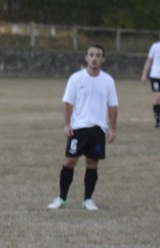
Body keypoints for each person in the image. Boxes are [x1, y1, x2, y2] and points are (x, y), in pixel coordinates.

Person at [47, 45, 118, 211]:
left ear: (103, 59)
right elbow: (68, 102)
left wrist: (112, 128)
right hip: (78, 128)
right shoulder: (76, 78)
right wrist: (67, 124)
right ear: (86, 58)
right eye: (91, 55)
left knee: (92, 164)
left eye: (98, 55)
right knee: (69, 161)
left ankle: (88, 199)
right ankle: (61, 198)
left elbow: (113, 106)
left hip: (98, 129)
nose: (94, 58)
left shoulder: (108, 81)